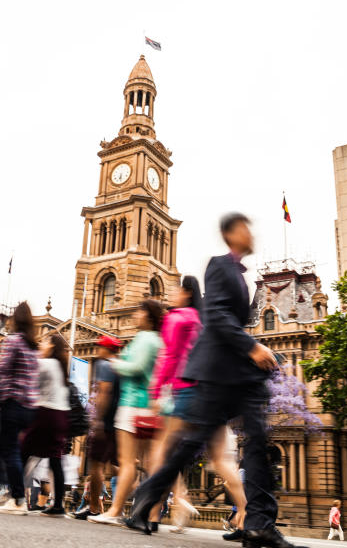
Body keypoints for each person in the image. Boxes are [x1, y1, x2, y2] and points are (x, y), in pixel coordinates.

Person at [124, 214, 299, 548]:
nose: (251, 234)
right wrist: (252, 346)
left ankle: (260, 524)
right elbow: (217, 317)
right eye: (245, 228)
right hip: (217, 375)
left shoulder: (241, 275)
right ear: (231, 234)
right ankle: (145, 502)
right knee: (190, 446)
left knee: (257, 441)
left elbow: (227, 320)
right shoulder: (219, 266)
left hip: (238, 375)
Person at [148, 275, 246, 532]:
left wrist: (157, 392)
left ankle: (153, 511)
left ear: (187, 293)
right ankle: (246, 511)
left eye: (175, 290)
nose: (171, 294)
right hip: (213, 395)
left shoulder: (178, 318)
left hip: (187, 392)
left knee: (163, 451)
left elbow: (169, 357)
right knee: (220, 459)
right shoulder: (205, 320)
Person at [88, 300, 163, 526]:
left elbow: (137, 367)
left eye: (140, 311)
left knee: (128, 462)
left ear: (148, 317)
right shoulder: (156, 340)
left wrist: (115, 363)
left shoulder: (145, 339)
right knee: (148, 464)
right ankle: (147, 514)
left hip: (133, 404)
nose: (136, 314)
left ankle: (116, 511)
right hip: (146, 404)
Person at [0, 302, 40, 515]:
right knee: (4, 448)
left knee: (10, 451)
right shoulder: (34, 347)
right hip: (29, 408)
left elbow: (2, 368)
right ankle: (8, 492)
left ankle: (17, 498)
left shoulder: (14, 340)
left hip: (13, 403)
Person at [20, 332, 71, 516]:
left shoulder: (47, 364)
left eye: (45, 341)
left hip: (45, 413)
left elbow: (27, 371)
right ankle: (58, 505)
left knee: (23, 452)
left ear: (52, 346)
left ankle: (15, 497)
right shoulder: (60, 368)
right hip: (61, 417)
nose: (42, 344)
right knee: (55, 460)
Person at [73, 334, 121, 520]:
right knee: (122, 465)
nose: (97, 350)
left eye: (100, 346)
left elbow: (104, 392)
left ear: (106, 349)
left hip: (106, 423)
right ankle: (120, 507)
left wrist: (98, 419)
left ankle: (93, 508)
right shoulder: (120, 366)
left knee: (96, 465)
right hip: (120, 422)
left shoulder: (103, 365)